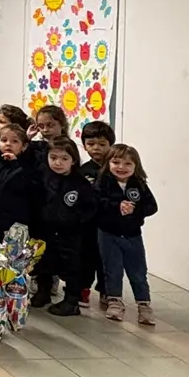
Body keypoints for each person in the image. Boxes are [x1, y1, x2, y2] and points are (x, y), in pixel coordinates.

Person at [33, 138, 98, 316]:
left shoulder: (80, 183)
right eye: (53, 158)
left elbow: (88, 209)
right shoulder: (42, 177)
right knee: (43, 263)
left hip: (70, 235)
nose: (58, 163)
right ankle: (43, 291)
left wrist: (73, 221)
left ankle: (71, 300)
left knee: (71, 267)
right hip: (45, 231)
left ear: (73, 160)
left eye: (64, 158)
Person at [96, 144, 158, 324]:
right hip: (108, 234)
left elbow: (152, 206)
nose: (121, 167)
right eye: (116, 162)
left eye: (127, 164)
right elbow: (96, 203)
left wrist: (135, 209)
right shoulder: (103, 183)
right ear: (108, 163)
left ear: (135, 166)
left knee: (138, 271)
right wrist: (117, 206)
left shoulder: (138, 184)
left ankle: (144, 305)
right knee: (112, 269)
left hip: (132, 235)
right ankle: (114, 301)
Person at [0, 123, 40, 241]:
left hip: (15, 222)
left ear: (24, 146)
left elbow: (28, 188)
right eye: (4, 140)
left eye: (15, 141)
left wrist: (15, 164)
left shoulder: (28, 166)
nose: (8, 144)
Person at [78, 120, 114, 308]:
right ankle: (83, 289)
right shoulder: (83, 171)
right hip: (87, 225)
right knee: (86, 257)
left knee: (106, 260)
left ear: (110, 144)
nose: (96, 148)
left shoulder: (116, 169)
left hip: (109, 225)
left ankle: (107, 291)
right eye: (91, 144)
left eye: (102, 144)